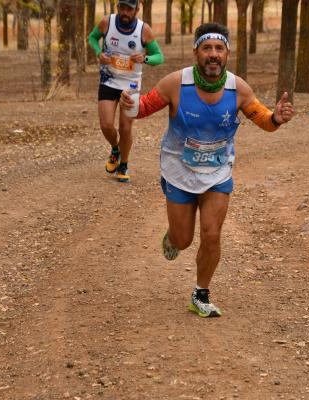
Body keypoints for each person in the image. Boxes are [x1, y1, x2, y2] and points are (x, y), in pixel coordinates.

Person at [120, 23, 294, 318]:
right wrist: (129, 104)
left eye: (219, 49)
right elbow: (144, 108)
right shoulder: (176, 83)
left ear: (227, 54)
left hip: (217, 173)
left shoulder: (237, 89)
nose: (213, 55)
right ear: (196, 53)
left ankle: (201, 294)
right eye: (207, 48)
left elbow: (262, 119)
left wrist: (275, 118)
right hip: (179, 170)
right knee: (184, 239)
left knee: (212, 235)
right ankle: (173, 237)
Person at [88, 0, 164, 182]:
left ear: (137, 9)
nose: (125, 12)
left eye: (129, 9)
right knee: (106, 125)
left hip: (130, 86)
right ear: (118, 8)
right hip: (108, 80)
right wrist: (99, 52)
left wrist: (145, 58)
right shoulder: (107, 22)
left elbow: (159, 57)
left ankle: (124, 165)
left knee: (125, 128)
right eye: (122, 7)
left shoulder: (144, 30)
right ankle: (115, 149)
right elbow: (92, 38)